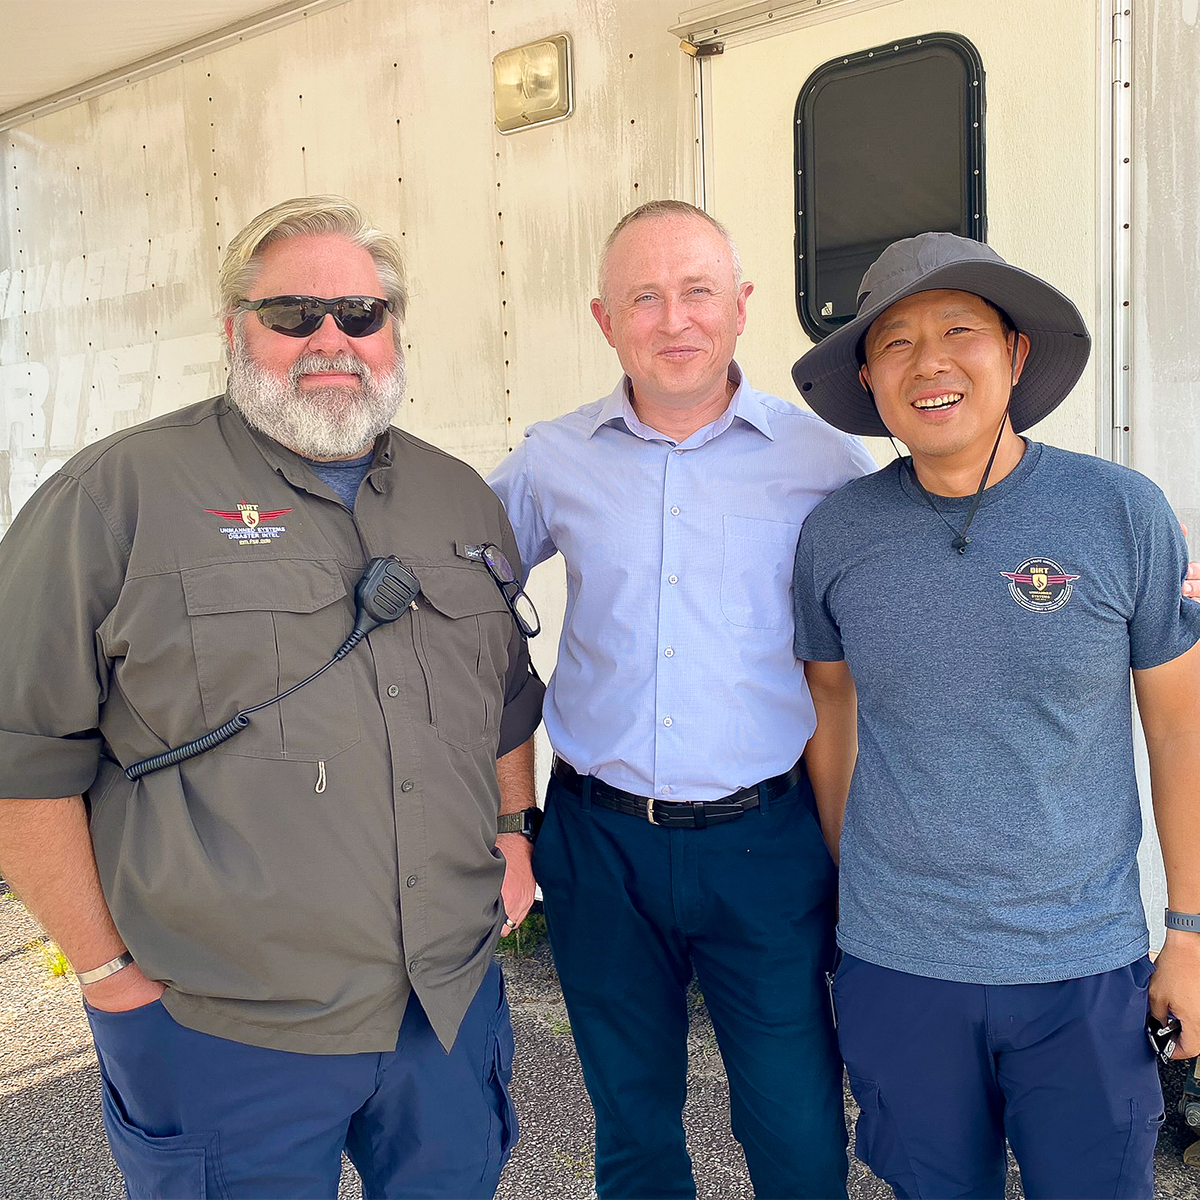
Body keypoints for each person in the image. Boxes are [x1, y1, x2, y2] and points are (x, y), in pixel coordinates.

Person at [0, 195, 545, 1199]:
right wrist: (103, 971)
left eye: (360, 314)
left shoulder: (459, 497)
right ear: (232, 328)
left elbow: (506, 696)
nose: (332, 339)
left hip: (446, 1009)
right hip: (219, 1027)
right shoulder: (114, 497)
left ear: (392, 330)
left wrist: (515, 829)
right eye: (293, 314)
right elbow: (20, 753)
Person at [790, 231, 1200, 1199]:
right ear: (869, 378)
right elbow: (830, 701)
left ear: (1015, 355)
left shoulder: (1121, 513)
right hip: (899, 969)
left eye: (960, 330)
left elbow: (1180, 726)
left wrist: (1187, 930)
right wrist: (863, 877)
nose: (929, 362)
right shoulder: (834, 534)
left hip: (1083, 969)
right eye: (895, 342)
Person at [488, 199, 877, 1200]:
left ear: (742, 306)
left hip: (766, 840)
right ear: (603, 319)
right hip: (599, 842)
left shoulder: (823, 462)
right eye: (644, 298)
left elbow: (916, 580)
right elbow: (454, 589)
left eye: (698, 291)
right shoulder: (551, 457)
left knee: (795, 1127)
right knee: (632, 1123)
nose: (674, 320)